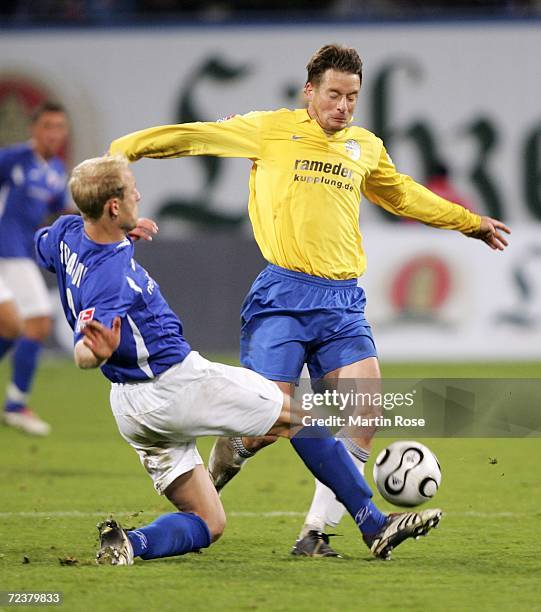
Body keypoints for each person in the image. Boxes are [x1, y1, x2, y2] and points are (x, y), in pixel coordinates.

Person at [109, 44, 510, 557]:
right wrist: (128, 147)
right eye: (334, 94)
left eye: (353, 97)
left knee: (364, 410)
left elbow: (405, 194)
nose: (343, 106)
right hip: (283, 296)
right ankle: (221, 471)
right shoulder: (269, 129)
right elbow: (198, 137)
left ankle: (318, 533)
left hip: (343, 301)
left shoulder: (365, 146)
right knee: (269, 423)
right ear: (310, 93)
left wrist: (469, 221)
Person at [34, 154, 442, 565]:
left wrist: (120, 234)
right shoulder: (110, 276)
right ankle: (372, 522)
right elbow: (88, 346)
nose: (139, 192)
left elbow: (45, 247)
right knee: (299, 419)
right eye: (130, 188)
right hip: (175, 384)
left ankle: (129, 544)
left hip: (130, 407)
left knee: (208, 520)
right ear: (113, 206)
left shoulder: (67, 231)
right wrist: (93, 350)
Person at [0, 101, 70, 436]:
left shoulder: (56, 170)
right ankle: (15, 405)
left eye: (59, 127)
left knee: (21, 326)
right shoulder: (12, 159)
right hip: (4, 251)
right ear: (34, 129)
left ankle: (15, 404)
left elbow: (59, 210)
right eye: (48, 126)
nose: (54, 133)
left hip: (18, 254)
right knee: (27, 322)